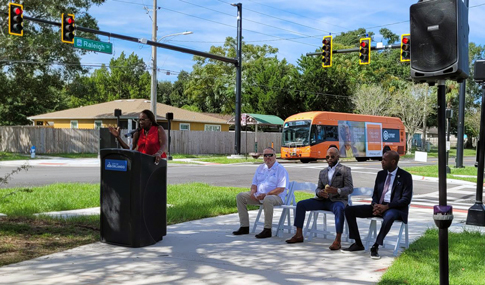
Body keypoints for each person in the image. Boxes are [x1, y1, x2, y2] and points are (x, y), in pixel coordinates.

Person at [342, 150, 413, 259]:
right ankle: (358, 243)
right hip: (379, 206)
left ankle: (376, 246)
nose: (382, 162)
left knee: (389, 216)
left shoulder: (405, 176)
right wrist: (375, 205)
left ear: (393, 162)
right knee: (349, 210)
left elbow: (405, 200)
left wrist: (387, 206)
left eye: (384, 160)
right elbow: (375, 194)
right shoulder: (381, 174)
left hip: (395, 208)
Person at [285, 147, 353, 250]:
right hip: (322, 200)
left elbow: (350, 188)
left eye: (332, 156)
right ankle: (299, 234)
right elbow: (318, 188)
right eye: (327, 157)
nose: (329, 159)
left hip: (337, 201)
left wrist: (337, 190)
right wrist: (319, 192)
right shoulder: (322, 172)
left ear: (338, 157)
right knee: (301, 204)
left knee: (339, 209)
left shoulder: (345, 170)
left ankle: (338, 240)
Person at [233, 147, 289, 238]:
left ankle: (267, 230)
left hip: (276, 197)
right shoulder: (260, 168)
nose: (268, 157)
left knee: (267, 199)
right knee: (240, 196)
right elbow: (254, 184)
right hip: (259, 196)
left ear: (275, 156)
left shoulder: (281, 169)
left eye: (270, 155)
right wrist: (252, 193)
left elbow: (281, 188)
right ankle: (244, 227)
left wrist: (266, 194)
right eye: (265, 155)